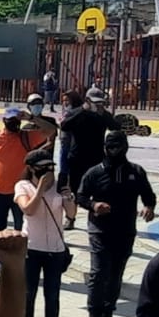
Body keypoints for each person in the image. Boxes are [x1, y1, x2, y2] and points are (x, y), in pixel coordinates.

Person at [77, 131, 157, 317]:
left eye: (119, 148)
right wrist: (94, 205)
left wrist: (149, 207)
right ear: (105, 149)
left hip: (125, 230)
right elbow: (81, 196)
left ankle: (107, 313)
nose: (115, 152)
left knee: (115, 274)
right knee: (99, 273)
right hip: (100, 231)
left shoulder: (136, 172)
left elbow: (148, 195)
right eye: (111, 148)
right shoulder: (95, 172)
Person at [16, 148, 74, 317]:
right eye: (43, 168)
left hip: (56, 249)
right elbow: (28, 210)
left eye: (51, 167)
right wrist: (40, 188)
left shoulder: (59, 187)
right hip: (32, 247)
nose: (49, 171)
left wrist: (68, 198)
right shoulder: (23, 186)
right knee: (29, 293)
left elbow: (71, 214)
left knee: (53, 294)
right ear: (32, 169)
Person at [58, 88, 119, 226]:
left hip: (97, 158)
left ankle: (98, 215)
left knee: (100, 189)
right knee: (74, 191)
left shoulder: (102, 114)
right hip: (77, 158)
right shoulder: (76, 113)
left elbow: (116, 127)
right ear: (87, 101)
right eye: (95, 103)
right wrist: (83, 110)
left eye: (100, 103)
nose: (98, 106)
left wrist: (105, 115)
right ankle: (70, 218)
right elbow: (64, 126)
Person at [0, 107, 34, 230]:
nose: (14, 123)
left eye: (17, 120)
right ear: (4, 120)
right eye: (11, 120)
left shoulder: (26, 137)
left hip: (21, 191)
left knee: (22, 230)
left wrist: (31, 118)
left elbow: (50, 131)